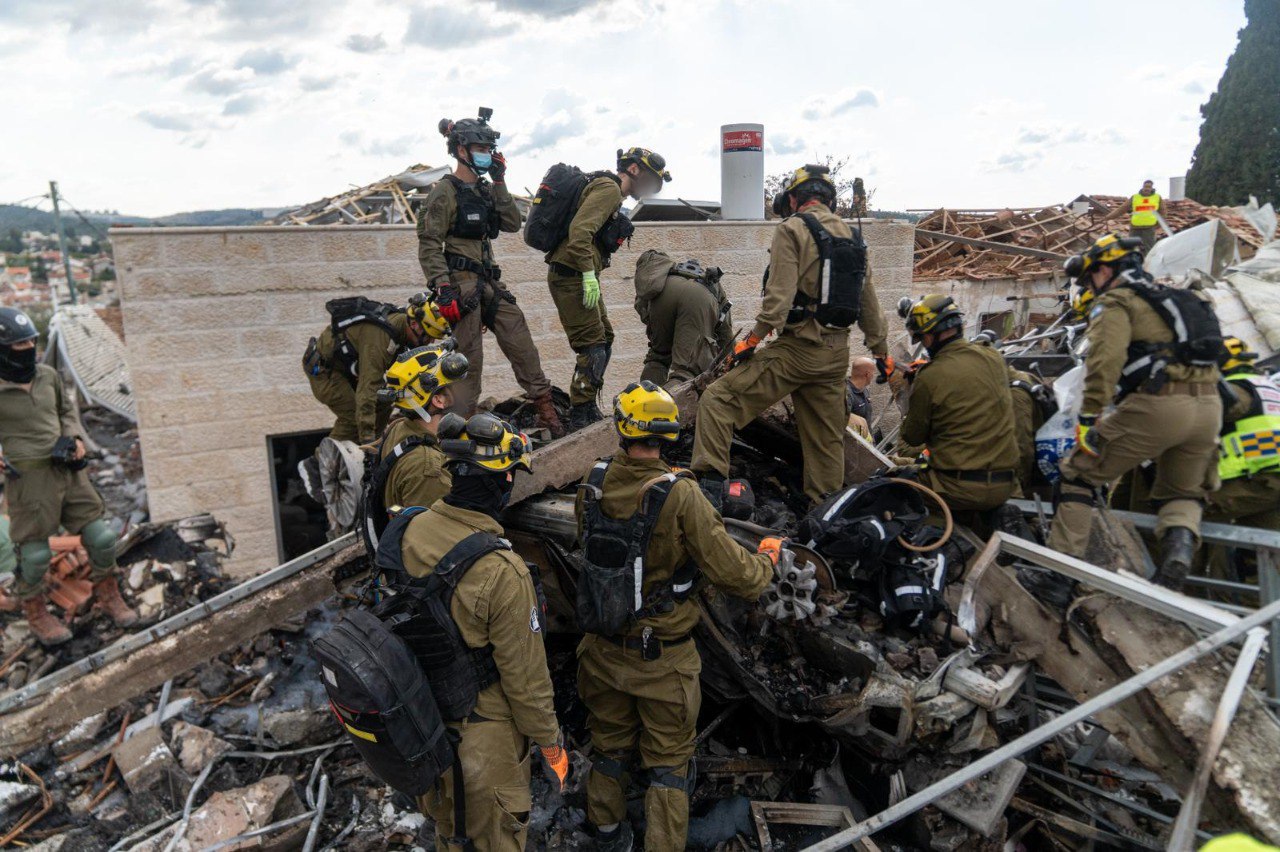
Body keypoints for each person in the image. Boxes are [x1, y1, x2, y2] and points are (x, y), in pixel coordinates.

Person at [576, 381, 775, 851]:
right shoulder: (681, 495)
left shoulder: (593, 480)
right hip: (660, 661)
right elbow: (739, 577)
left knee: (608, 747)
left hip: (601, 651)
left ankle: (606, 835)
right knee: (668, 763)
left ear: (623, 429)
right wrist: (768, 558)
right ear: (669, 435)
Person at [399, 411, 568, 851]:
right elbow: (526, 681)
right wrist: (551, 746)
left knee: (449, 836)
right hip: (483, 745)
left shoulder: (411, 530)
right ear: (503, 482)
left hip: (425, 727)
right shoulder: (502, 571)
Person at [691, 164, 891, 507]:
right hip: (834, 358)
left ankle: (707, 496)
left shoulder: (793, 229)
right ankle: (824, 514)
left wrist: (750, 341)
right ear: (829, 199)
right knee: (826, 443)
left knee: (718, 401)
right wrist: (881, 352)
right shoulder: (854, 238)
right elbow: (870, 306)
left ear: (795, 198)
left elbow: (777, 303)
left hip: (797, 351)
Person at [1048, 234, 1222, 589]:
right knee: (1181, 492)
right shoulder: (1182, 297)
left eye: (1092, 275)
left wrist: (1088, 417)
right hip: (1209, 406)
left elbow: (1104, 362)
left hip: (1158, 406)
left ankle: (1058, 577)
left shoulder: (1118, 302)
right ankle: (1177, 553)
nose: (1091, 285)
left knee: (1077, 474)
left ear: (1106, 269)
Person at [419, 110, 565, 438]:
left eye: (489, 149)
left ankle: (546, 409)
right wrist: (443, 288)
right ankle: (462, 426)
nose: (486, 155)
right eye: (480, 149)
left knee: (520, 339)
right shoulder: (444, 191)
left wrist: (499, 182)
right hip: (461, 284)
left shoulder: (486, 189)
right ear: (461, 150)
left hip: (489, 282)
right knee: (469, 359)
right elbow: (429, 242)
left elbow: (512, 222)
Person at [0, 307, 137, 646]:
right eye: (20, 346)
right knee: (34, 557)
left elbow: (66, 412)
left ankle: (110, 598)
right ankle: (37, 613)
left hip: (68, 474)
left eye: (32, 342)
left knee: (102, 538)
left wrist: (75, 439)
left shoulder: (48, 376)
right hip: (29, 483)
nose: (28, 350)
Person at [545, 148, 671, 428]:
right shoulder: (609, 189)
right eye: (650, 178)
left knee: (606, 338)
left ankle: (587, 405)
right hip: (572, 276)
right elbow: (579, 232)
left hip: (578, 275)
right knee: (593, 347)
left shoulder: (610, 191)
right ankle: (580, 414)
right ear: (635, 170)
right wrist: (588, 274)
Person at [897, 297, 1021, 523]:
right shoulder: (993, 357)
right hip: (1006, 483)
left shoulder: (931, 376)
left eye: (922, 338)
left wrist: (912, 391)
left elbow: (911, 437)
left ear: (931, 334)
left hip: (956, 487)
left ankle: (930, 545)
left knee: (892, 486)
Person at [360, 341, 470, 550]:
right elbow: (442, 545)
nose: (462, 391)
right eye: (453, 387)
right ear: (438, 400)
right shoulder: (429, 468)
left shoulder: (400, 428)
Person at [303, 293, 448, 445]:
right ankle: (319, 464)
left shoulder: (401, 328)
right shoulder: (380, 340)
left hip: (348, 368)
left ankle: (373, 448)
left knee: (384, 401)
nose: (430, 341)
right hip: (325, 370)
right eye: (427, 337)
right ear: (414, 324)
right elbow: (368, 389)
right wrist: (367, 438)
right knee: (353, 416)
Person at [1207, 338, 1280, 531]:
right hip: (1268, 482)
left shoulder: (1236, 390)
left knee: (1181, 513)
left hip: (1257, 480)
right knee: (1262, 552)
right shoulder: (1269, 389)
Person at [632, 250, 733, 387]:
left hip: (663, 298)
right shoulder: (711, 284)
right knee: (687, 368)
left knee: (658, 358)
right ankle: (672, 405)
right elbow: (725, 331)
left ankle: (646, 401)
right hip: (697, 299)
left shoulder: (661, 277)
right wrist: (731, 361)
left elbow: (643, 309)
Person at [845, 356, 878, 440]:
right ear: (867, 374)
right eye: (873, 373)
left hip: (866, 443)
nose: (873, 375)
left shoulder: (864, 391)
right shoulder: (846, 394)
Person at [1129, 179, 1162, 255]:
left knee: (1150, 250)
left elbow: (1163, 212)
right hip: (1135, 227)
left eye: (1149, 187)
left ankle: (1149, 266)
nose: (1146, 188)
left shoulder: (1157, 197)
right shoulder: (1135, 197)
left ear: (1151, 188)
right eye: (1145, 186)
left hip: (1149, 228)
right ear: (1142, 187)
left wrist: (1158, 224)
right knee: (1130, 248)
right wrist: (1108, 217)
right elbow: (1122, 209)